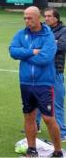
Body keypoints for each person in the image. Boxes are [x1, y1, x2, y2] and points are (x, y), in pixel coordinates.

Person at [9, 6, 63, 157]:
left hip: (43, 83)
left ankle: (58, 151)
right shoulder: (21, 34)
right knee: (29, 116)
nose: (26, 21)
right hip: (25, 82)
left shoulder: (48, 36)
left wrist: (23, 54)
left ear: (38, 18)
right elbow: (13, 51)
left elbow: (45, 58)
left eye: (30, 18)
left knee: (48, 118)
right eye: (25, 18)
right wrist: (32, 51)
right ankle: (31, 149)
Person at [36, 8, 66, 141]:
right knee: (36, 98)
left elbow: (61, 47)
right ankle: (35, 125)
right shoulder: (43, 30)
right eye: (45, 16)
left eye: (49, 16)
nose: (46, 19)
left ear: (56, 18)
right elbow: (34, 45)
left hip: (55, 70)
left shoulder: (64, 31)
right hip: (40, 68)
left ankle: (62, 132)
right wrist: (50, 44)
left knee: (57, 102)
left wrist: (47, 45)